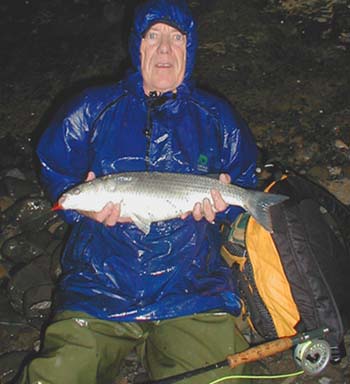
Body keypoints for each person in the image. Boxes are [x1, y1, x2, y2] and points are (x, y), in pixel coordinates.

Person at [18, 0, 257, 383]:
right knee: (56, 376)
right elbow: (56, 169)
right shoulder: (91, 107)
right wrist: (80, 206)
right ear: (137, 45)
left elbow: (244, 182)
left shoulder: (218, 117)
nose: (164, 49)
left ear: (189, 47)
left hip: (192, 287)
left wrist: (225, 207)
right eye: (153, 37)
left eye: (175, 38)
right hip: (101, 286)